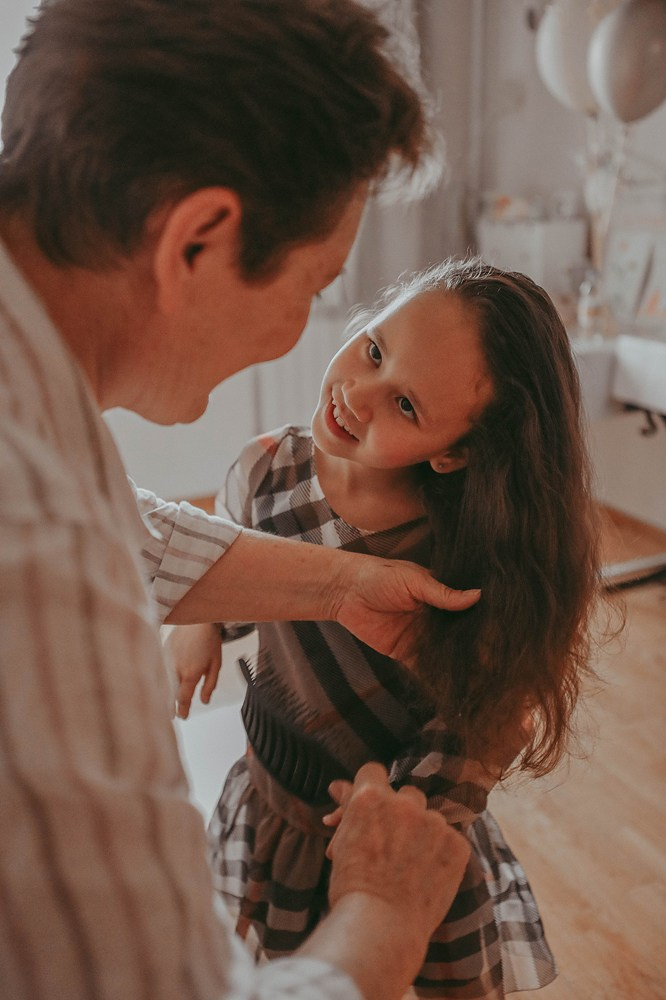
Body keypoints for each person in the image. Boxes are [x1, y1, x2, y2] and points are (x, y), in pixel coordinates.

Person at [0, 2, 479, 998]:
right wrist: (383, 917)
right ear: (200, 240)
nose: (297, 338)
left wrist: (344, 580)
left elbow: (128, 528)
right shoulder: (33, 545)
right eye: (317, 285)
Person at [167, 257, 604, 998]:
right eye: (374, 348)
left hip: (399, 832)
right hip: (269, 796)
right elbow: (234, 554)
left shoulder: (469, 561)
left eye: (406, 405)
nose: (357, 393)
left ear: (455, 452)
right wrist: (199, 621)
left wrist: (398, 813)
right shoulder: (266, 469)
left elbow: (484, 728)